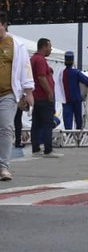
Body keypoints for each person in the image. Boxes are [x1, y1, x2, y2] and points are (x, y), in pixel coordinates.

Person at [0, 12, 36, 181]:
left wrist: (28, 92)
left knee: (6, 128)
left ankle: (3, 167)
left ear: (4, 25)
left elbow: (25, 68)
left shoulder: (17, 45)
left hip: (7, 94)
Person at [30, 38, 58, 156]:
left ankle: (35, 148)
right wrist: (49, 93)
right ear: (44, 47)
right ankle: (48, 149)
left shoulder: (33, 59)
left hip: (36, 97)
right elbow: (41, 77)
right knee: (47, 123)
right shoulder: (40, 60)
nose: (51, 49)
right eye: (49, 47)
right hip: (44, 97)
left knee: (36, 123)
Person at [58, 51, 88, 132]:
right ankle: (78, 137)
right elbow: (87, 81)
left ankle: (69, 137)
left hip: (65, 100)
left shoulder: (61, 73)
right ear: (72, 62)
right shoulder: (76, 73)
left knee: (67, 121)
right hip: (76, 99)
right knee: (78, 119)